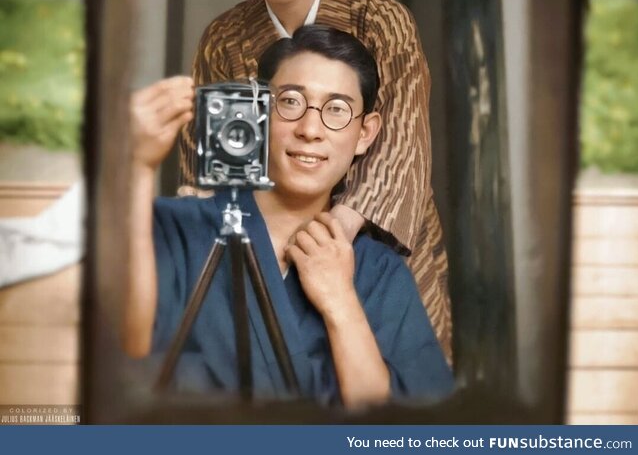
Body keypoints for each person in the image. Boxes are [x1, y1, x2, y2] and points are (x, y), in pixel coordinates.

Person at [178, 0, 452, 361]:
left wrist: (332, 240)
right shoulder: (224, 39)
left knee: (399, 410)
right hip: (266, 254)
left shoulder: (381, 20)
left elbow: (400, 150)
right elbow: (221, 169)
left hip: (374, 250)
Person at [127, 26, 453, 406]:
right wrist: (136, 167)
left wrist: (341, 303)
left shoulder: (377, 271)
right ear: (258, 111)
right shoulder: (181, 227)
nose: (310, 130)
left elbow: (414, 428)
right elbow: (127, 347)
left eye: (336, 109)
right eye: (291, 102)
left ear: (365, 133)